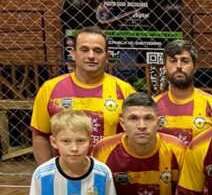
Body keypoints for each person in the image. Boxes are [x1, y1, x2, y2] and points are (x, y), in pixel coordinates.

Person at [93, 92, 187, 195]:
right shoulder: (104, 149)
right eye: (133, 118)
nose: (142, 125)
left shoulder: (177, 148)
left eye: (148, 118)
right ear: (122, 123)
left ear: (158, 122)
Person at [30, 26, 134, 164]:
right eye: (84, 50)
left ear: (107, 56)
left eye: (98, 51)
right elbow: (40, 136)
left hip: (109, 176)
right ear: (73, 53)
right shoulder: (50, 89)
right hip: (65, 175)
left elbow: (134, 138)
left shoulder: (125, 91)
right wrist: (47, 175)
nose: (91, 56)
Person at [154, 39, 212, 146]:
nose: (178, 66)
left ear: (195, 67)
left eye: (184, 61)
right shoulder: (153, 106)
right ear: (165, 67)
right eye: (173, 61)